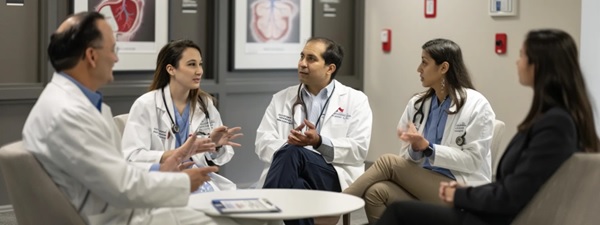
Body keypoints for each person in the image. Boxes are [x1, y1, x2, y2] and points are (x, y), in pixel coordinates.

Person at [22, 11, 271, 225]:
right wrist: (181, 180)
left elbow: (114, 173)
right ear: (91, 56)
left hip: (119, 202)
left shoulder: (68, 102)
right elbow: (121, 184)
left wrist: (169, 165)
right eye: (112, 49)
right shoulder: (71, 113)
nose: (116, 58)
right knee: (235, 219)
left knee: (246, 215)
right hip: (115, 214)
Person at [375, 29, 600, 225]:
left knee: (398, 210)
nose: (517, 61)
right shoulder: (552, 119)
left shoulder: (556, 125)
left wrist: (461, 196)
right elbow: (514, 185)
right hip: (485, 204)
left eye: (522, 55)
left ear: (538, 66)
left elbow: (513, 193)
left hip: (494, 217)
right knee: (379, 192)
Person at [341, 38, 495, 224]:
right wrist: (415, 148)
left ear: (443, 68)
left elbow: (473, 161)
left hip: (457, 190)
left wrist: (429, 148)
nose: (418, 69)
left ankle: (338, 205)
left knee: (388, 162)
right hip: (423, 184)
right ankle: (339, 205)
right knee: (376, 192)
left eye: (424, 62)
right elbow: (407, 156)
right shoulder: (418, 104)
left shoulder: (476, 105)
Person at [255, 37, 373, 225]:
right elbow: (262, 142)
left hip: (332, 174)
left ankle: (261, 213)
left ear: (330, 68)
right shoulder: (282, 98)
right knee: (297, 184)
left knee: (295, 153)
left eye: (311, 59)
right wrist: (290, 144)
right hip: (291, 174)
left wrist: (318, 142)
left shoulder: (356, 100)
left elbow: (359, 149)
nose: (302, 64)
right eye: (302, 56)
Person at [122, 39, 240, 192]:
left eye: (200, 64)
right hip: (162, 183)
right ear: (171, 69)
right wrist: (178, 154)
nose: (199, 71)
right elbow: (132, 156)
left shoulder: (205, 104)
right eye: (191, 64)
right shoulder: (146, 105)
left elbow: (223, 158)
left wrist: (215, 145)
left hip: (198, 181)